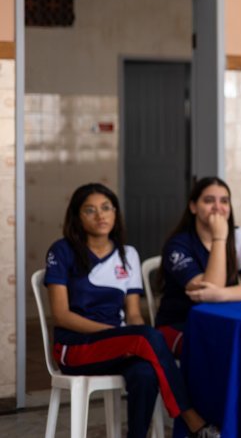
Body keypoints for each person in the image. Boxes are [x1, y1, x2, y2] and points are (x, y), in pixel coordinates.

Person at [44, 183, 219, 438]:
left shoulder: (128, 254)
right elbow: (61, 315)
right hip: (74, 347)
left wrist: (129, 335)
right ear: (77, 217)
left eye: (106, 208)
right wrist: (120, 334)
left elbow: (134, 314)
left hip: (118, 344)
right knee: (146, 336)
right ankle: (193, 420)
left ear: (115, 213)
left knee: (145, 372)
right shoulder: (61, 251)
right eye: (90, 210)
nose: (100, 215)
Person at [155, 177, 241, 356]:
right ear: (193, 207)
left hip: (222, 320)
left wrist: (221, 295)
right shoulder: (177, 245)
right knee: (223, 351)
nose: (217, 207)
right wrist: (219, 238)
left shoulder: (240, 236)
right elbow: (208, 292)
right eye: (209, 200)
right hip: (179, 324)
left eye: (224, 201)